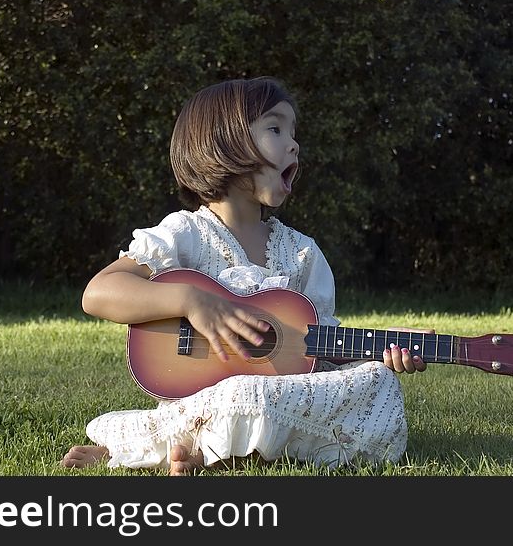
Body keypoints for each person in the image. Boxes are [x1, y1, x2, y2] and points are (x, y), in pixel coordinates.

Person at [61, 76, 428, 475]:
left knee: (377, 384)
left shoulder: (301, 251)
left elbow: (318, 351)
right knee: (243, 393)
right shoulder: (187, 234)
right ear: (224, 142)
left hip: (280, 392)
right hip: (204, 397)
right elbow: (98, 293)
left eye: (293, 132)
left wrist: (382, 346)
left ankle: (197, 451)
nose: (294, 144)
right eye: (275, 129)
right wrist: (191, 301)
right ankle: (162, 444)